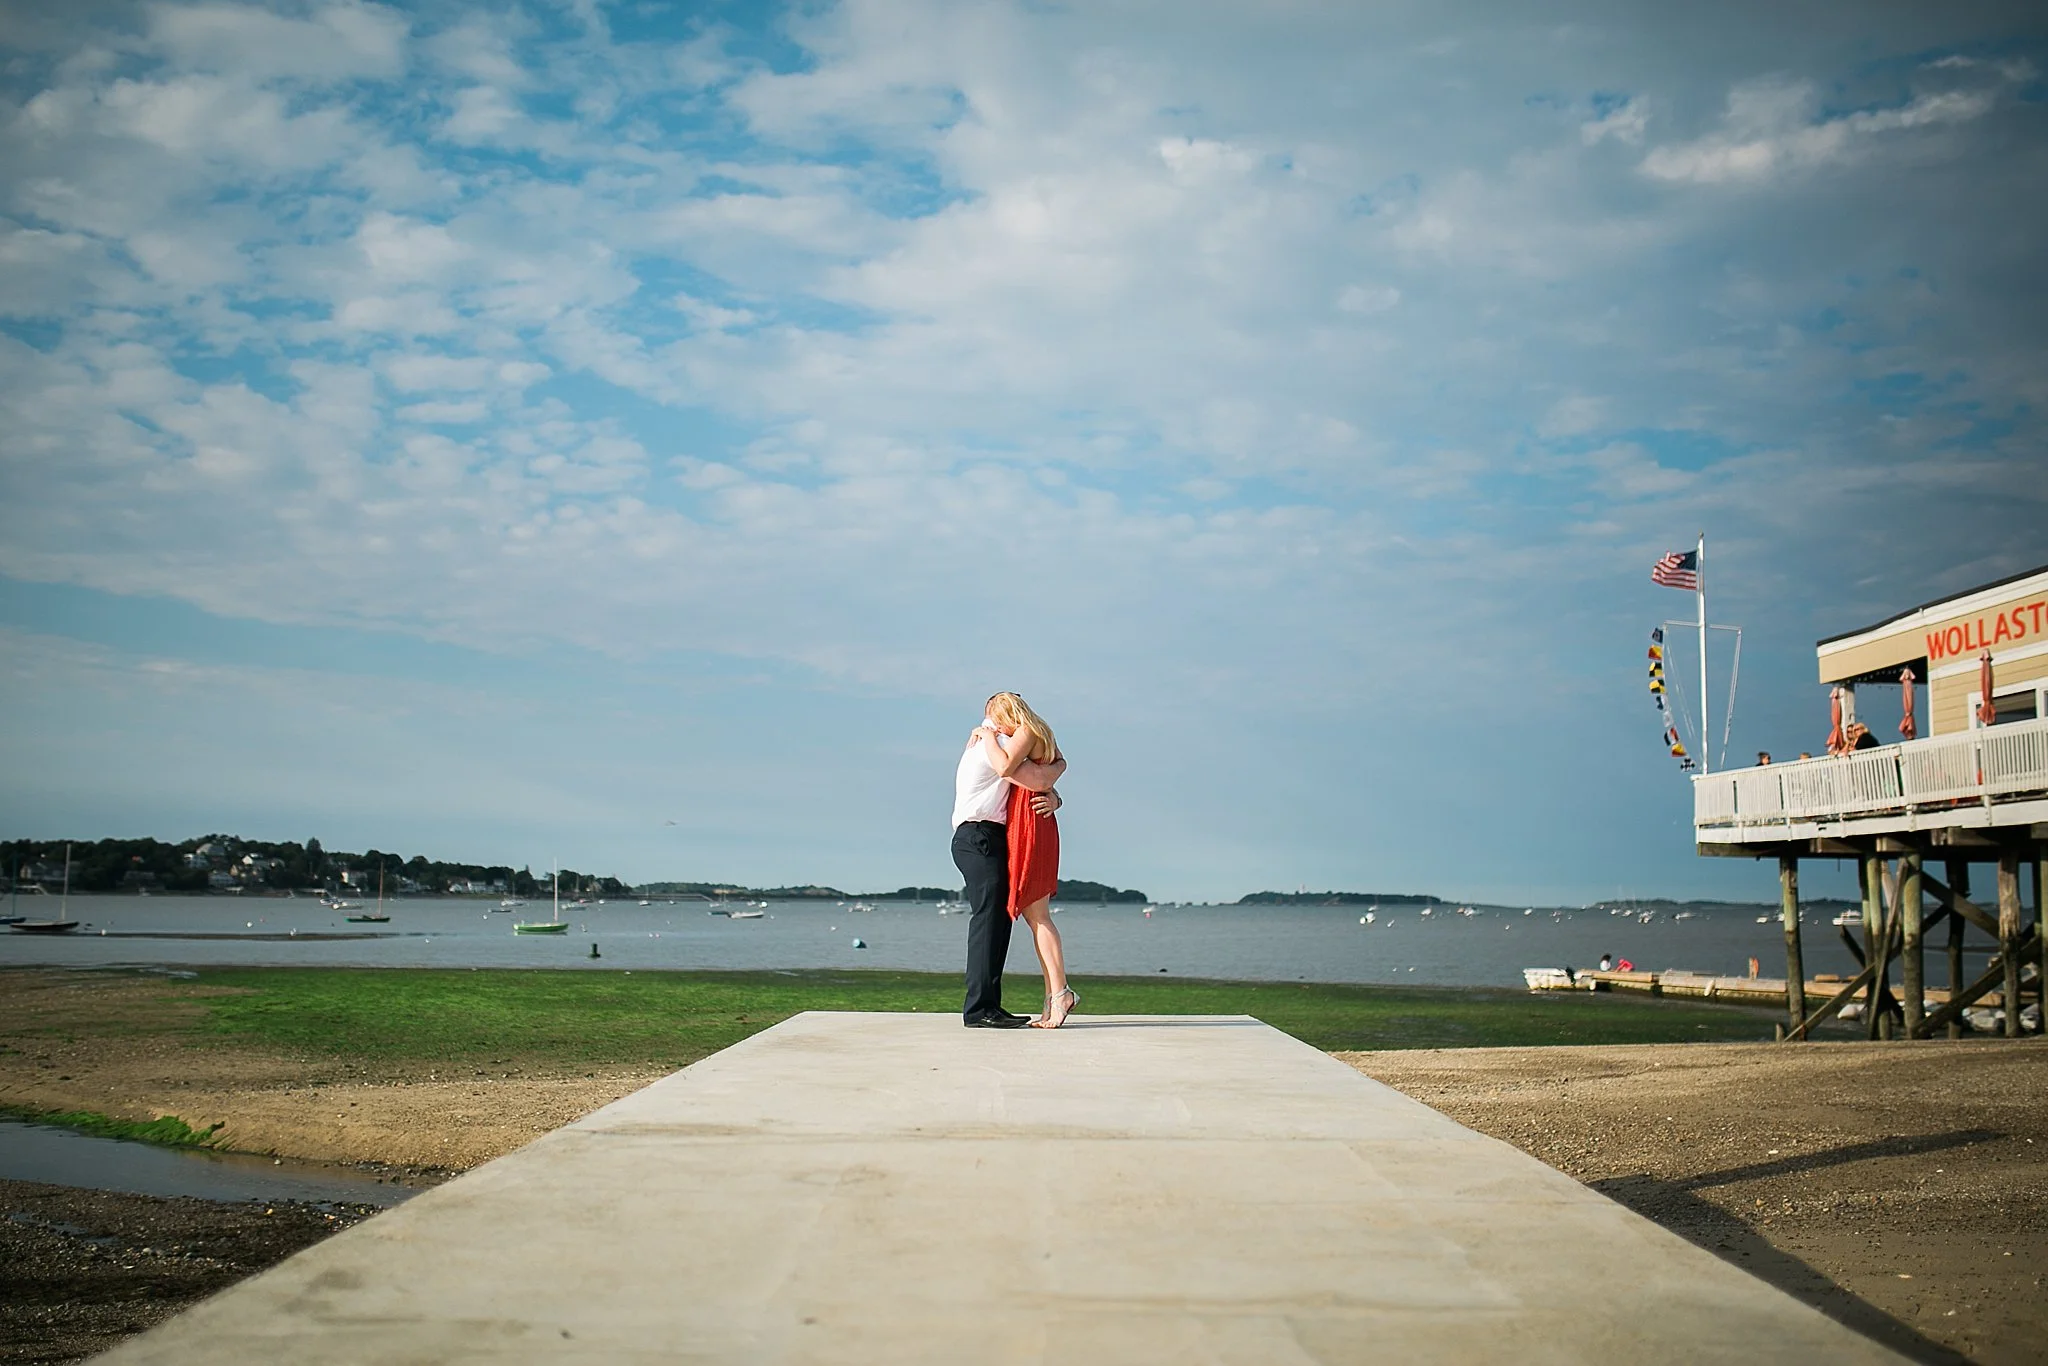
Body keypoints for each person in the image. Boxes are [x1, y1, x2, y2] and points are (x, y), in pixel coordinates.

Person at [952, 695, 1064, 1029]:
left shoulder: (993, 742)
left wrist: (1055, 794)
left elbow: (1034, 786)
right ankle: (979, 1009)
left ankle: (989, 1006)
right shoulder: (994, 743)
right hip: (979, 835)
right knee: (988, 921)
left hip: (988, 836)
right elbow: (1037, 781)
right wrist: (1060, 766)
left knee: (998, 921)